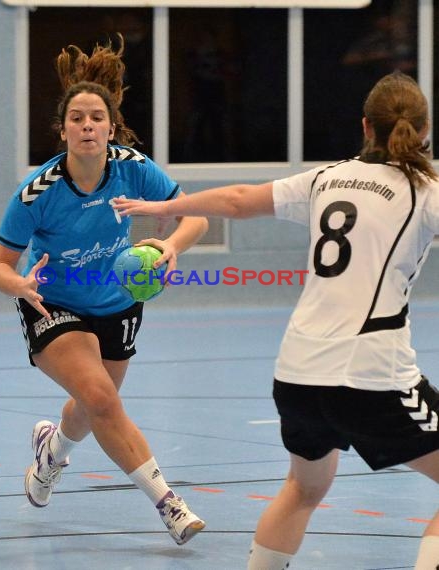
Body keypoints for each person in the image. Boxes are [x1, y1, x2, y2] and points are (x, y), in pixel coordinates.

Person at [113, 71, 439, 569]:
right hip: (369, 373)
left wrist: (166, 206)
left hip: (298, 374)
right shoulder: (425, 190)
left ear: (365, 126)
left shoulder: (327, 177)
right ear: (425, 131)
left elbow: (238, 200)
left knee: (304, 489)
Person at [0, 35, 208, 546]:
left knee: (92, 407)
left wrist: (172, 246)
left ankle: (52, 452)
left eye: (96, 118)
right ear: (62, 130)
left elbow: (193, 215)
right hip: (54, 305)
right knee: (100, 396)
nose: (87, 126)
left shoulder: (132, 167)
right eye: (76, 119)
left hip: (116, 302)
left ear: (110, 127)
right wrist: (18, 283)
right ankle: (169, 504)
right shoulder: (35, 193)